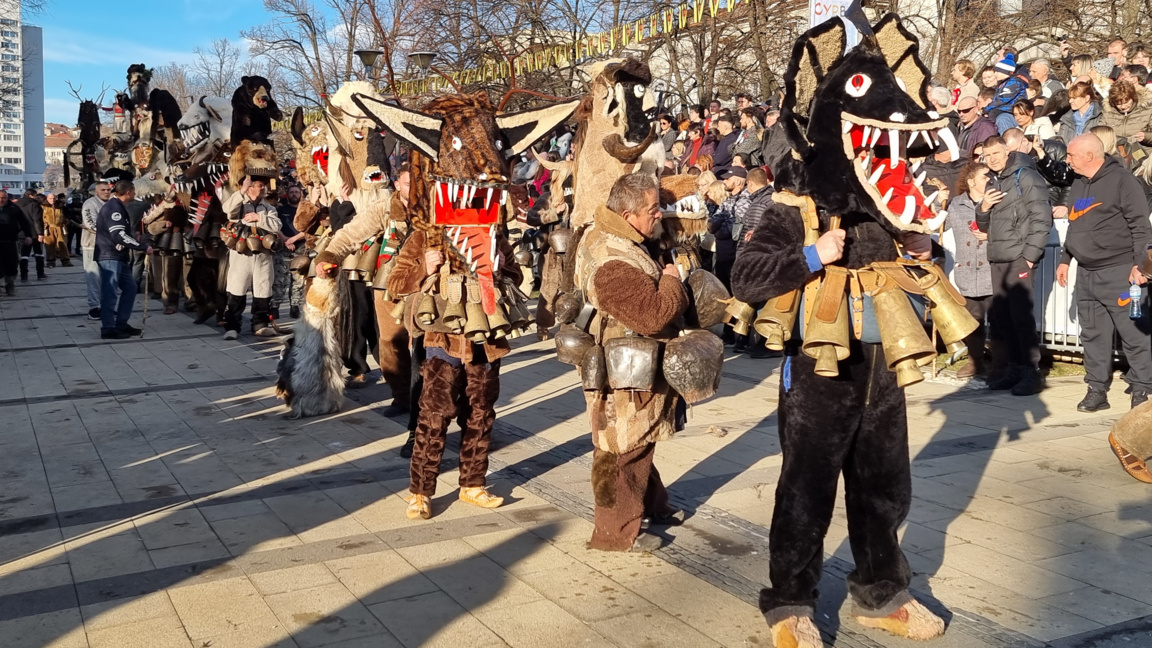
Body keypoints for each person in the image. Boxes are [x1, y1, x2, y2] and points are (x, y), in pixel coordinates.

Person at [573, 172, 687, 552]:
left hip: (628, 361)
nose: (659, 215)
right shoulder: (612, 259)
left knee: (636, 439)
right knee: (625, 448)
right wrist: (672, 279)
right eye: (652, 210)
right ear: (626, 214)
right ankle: (615, 533)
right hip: (625, 367)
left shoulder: (617, 234)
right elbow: (653, 315)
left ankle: (654, 505)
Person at [1053, 134, 1152, 411]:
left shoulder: (1123, 181)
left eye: (1071, 155)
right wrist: (1065, 259)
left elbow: (1141, 227)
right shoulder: (1077, 183)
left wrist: (1140, 265)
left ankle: (1142, 391)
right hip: (1086, 274)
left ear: (1089, 155)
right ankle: (1097, 390)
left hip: (1120, 271)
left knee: (1134, 334)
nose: (1067, 160)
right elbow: (1074, 225)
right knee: (1093, 335)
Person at [975, 136, 1051, 395]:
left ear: (1008, 150)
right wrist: (983, 207)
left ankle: (1032, 372)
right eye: (988, 155)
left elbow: (1042, 217)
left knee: (1021, 318)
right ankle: (1015, 369)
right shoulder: (993, 180)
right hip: (997, 256)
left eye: (996, 152)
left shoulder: (1025, 176)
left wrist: (1029, 256)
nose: (993, 158)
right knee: (1003, 318)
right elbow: (983, 226)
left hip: (1018, 257)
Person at [945, 163, 994, 378]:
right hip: (967, 271)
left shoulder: (997, 201)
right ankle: (976, 362)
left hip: (992, 269)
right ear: (971, 181)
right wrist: (938, 205)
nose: (990, 181)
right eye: (985, 177)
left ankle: (1005, 364)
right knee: (972, 320)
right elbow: (939, 227)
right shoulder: (956, 204)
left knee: (1000, 320)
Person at [222, 175, 282, 339]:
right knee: (237, 289)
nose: (263, 188)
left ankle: (260, 324)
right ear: (250, 187)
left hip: (263, 254)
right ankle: (232, 326)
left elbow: (277, 225)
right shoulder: (239, 202)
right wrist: (241, 192)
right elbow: (228, 211)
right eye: (259, 185)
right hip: (242, 254)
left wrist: (259, 218)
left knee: (263, 289)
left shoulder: (269, 208)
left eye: (263, 185)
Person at [94, 182, 153, 339]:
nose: (135, 194)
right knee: (110, 291)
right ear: (128, 192)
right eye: (134, 191)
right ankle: (108, 328)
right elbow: (118, 234)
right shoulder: (114, 208)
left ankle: (121, 323)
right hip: (109, 255)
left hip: (119, 256)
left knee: (130, 287)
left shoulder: (119, 207)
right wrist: (141, 246)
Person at [272, 185, 306, 319]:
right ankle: (275, 306)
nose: (294, 194)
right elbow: (275, 225)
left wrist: (293, 239)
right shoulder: (280, 210)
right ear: (287, 194)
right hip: (283, 247)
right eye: (291, 192)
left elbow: (309, 228)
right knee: (280, 279)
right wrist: (285, 239)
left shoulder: (304, 210)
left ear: (300, 194)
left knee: (298, 280)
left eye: (296, 192)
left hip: (300, 248)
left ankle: (295, 306)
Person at [82, 183, 111, 320]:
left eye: (108, 190)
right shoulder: (90, 204)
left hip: (108, 246)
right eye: (103, 190)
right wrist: (111, 233)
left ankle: (106, 306)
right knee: (93, 276)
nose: (106, 192)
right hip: (92, 245)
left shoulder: (111, 203)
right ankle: (94, 307)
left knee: (107, 277)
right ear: (95, 192)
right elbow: (89, 223)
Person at [0, 189, 32, 295]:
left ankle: (10, 285)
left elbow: (24, 222)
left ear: (7, 197)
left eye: (4, 197)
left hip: (10, 240)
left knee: (11, 264)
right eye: (0, 198)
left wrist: (28, 235)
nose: (1, 200)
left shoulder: (14, 208)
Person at [986, 53, 1028, 134]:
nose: (995, 74)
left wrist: (987, 108)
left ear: (1004, 72)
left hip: (1010, 110)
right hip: (1005, 109)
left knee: (996, 115)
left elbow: (1002, 99)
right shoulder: (1003, 83)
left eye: (997, 72)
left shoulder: (1014, 83)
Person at [1102, 80, 1152, 146]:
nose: (1123, 107)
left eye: (1126, 102)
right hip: (1115, 152)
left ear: (1133, 98)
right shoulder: (1108, 111)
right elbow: (1100, 132)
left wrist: (1146, 137)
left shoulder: (1147, 109)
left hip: (1143, 151)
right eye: (1118, 104)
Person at [16, 189, 45, 280]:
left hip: (21, 233)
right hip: (34, 233)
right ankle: (40, 274)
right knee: (38, 254)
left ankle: (23, 275)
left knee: (24, 255)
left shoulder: (16, 204)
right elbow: (37, 220)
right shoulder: (34, 205)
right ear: (31, 195)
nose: (37, 197)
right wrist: (40, 233)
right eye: (35, 195)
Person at [42, 193, 71, 268]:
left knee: (62, 244)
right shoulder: (43, 206)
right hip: (48, 228)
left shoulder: (60, 206)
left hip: (60, 227)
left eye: (54, 198)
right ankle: (50, 261)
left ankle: (65, 260)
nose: (53, 200)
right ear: (47, 198)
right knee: (49, 245)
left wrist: (66, 221)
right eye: (51, 198)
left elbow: (67, 214)